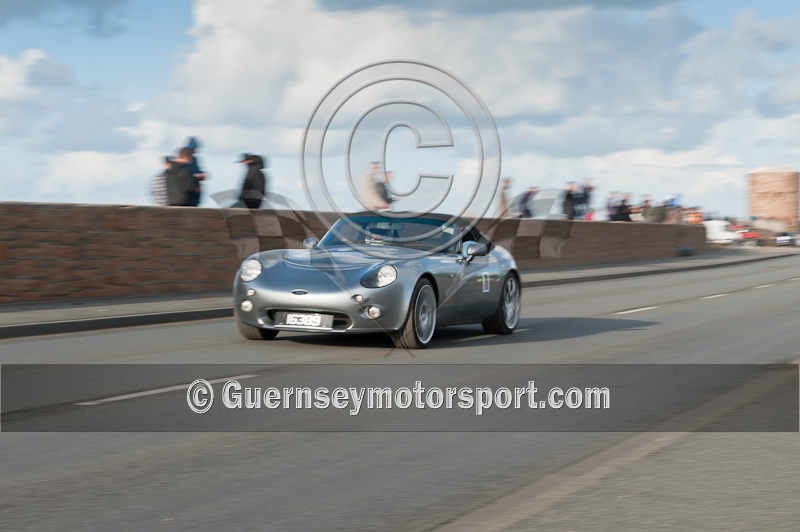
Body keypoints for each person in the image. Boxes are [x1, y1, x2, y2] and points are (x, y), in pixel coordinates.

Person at [185, 137, 207, 206]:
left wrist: (202, 175)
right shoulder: (183, 160)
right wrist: (196, 176)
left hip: (195, 193)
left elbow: (197, 171)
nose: (194, 151)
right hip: (188, 193)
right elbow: (185, 175)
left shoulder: (194, 159)